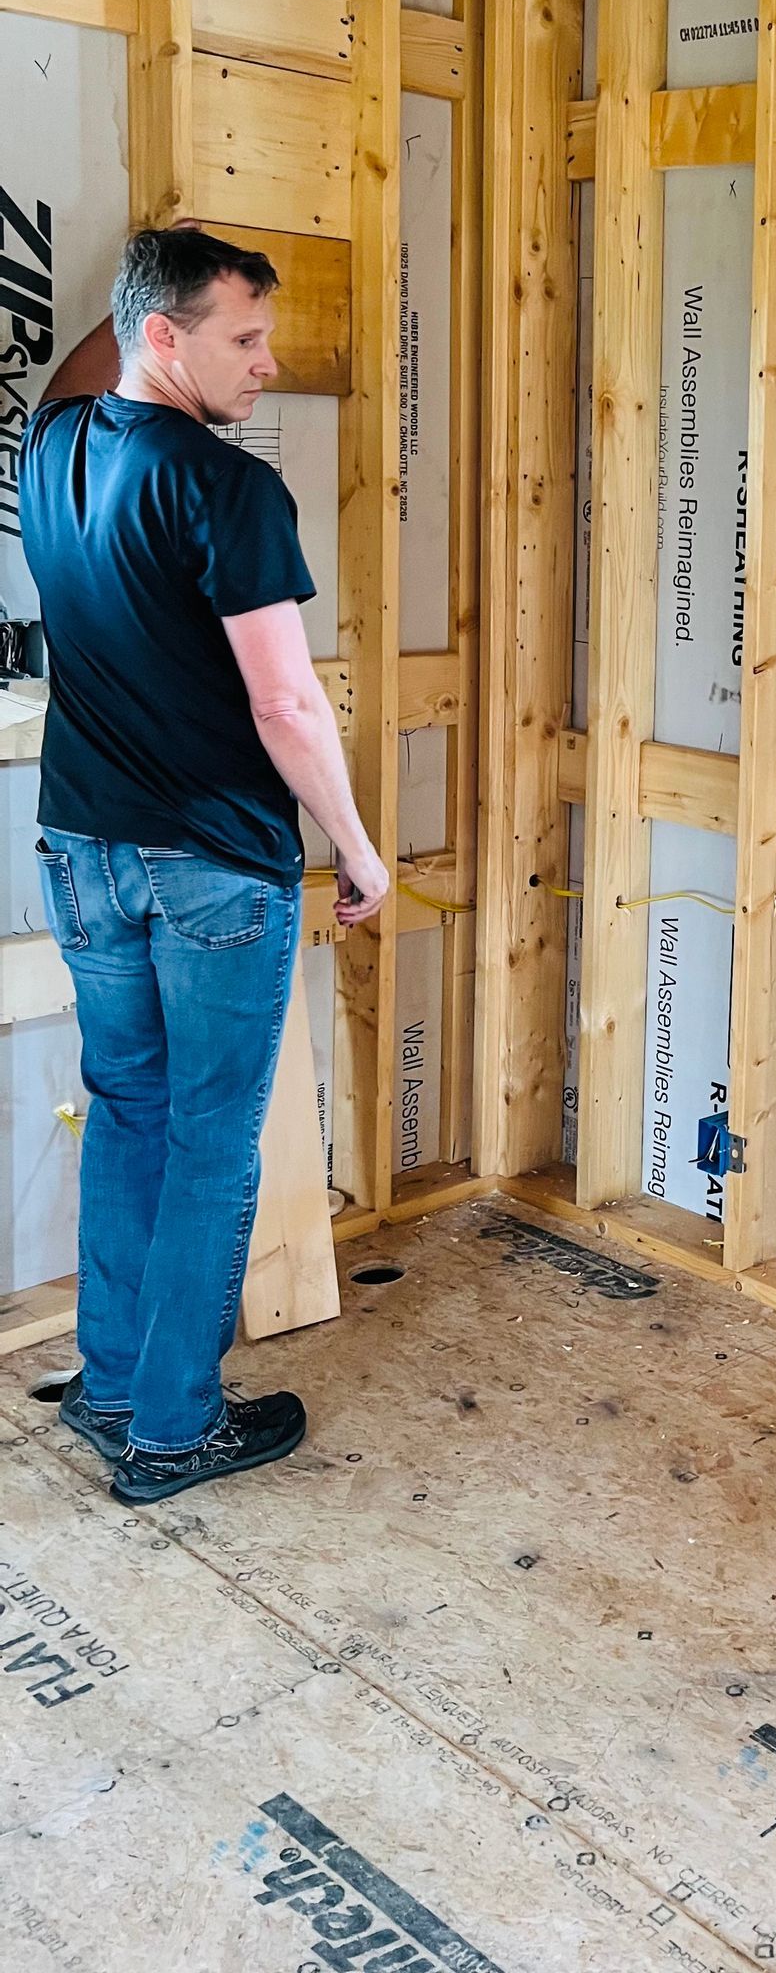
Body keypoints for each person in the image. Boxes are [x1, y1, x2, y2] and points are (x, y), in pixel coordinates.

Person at [19, 224, 389, 1506]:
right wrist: (355, 843)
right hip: (210, 869)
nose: (269, 362)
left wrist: (141, 278)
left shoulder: (53, 449)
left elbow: (80, 371)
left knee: (128, 1109)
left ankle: (115, 1382)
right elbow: (287, 707)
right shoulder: (230, 490)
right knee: (212, 1141)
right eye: (243, 335)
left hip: (81, 852)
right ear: (163, 335)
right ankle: (174, 1429)